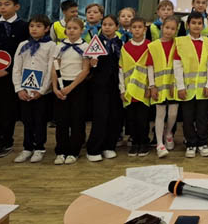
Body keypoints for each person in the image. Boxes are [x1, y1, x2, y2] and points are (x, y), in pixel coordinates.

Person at [0, 0, 29, 158]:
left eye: (7, 4)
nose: (2, 7)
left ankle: (6, 141)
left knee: (8, 109)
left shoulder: (24, 27)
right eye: (0, 4)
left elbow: (25, 52)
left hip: (11, 76)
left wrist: (7, 70)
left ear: (16, 7)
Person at [12, 14, 54, 163]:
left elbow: (50, 70)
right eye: (31, 26)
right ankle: (27, 148)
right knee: (27, 120)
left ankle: (39, 148)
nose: (34, 29)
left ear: (46, 28)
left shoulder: (51, 46)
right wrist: (19, 88)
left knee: (40, 120)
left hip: (41, 92)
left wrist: (42, 90)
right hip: (25, 90)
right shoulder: (23, 45)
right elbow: (17, 68)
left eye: (38, 26)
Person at [174, 11, 208, 158]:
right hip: (187, 89)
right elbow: (177, 66)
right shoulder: (180, 42)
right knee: (188, 118)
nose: (196, 26)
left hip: (203, 89)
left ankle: (203, 143)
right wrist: (180, 87)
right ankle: (190, 143)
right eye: (193, 23)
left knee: (202, 118)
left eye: (199, 23)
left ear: (203, 25)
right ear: (188, 25)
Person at [52, 17, 90, 165]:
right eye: (69, 28)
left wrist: (71, 87)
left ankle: (74, 151)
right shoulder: (59, 47)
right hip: (61, 86)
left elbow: (85, 70)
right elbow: (55, 68)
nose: (71, 31)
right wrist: (55, 88)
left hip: (77, 86)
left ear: (81, 31)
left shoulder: (85, 47)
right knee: (61, 121)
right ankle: (61, 150)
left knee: (77, 120)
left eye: (75, 28)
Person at [86, 15, 124, 162]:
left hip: (116, 84)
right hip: (99, 85)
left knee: (114, 115)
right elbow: (89, 64)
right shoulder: (96, 42)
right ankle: (94, 148)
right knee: (100, 116)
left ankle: (109, 146)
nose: (107, 27)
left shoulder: (119, 42)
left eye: (110, 24)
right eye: (105, 24)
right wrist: (92, 63)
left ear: (117, 27)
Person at [147, 16, 181, 158]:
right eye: (167, 27)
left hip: (173, 85)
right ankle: (160, 144)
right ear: (161, 27)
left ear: (176, 30)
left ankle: (168, 133)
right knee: (160, 114)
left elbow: (180, 66)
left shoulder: (178, 44)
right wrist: (152, 86)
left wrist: (176, 84)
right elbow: (150, 66)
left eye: (172, 29)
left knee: (173, 113)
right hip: (159, 86)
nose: (169, 31)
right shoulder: (153, 46)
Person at [119, 16, 151, 157]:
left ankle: (144, 142)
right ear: (130, 29)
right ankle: (135, 143)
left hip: (144, 90)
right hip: (130, 91)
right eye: (134, 27)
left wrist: (150, 87)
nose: (137, 30)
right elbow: (121, 70)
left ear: (145, 29)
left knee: (143, 119)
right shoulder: (125, 47)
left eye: (140, 27)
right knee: (131, 118)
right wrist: (122, 89)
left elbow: (152, 68)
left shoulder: (150, 46)